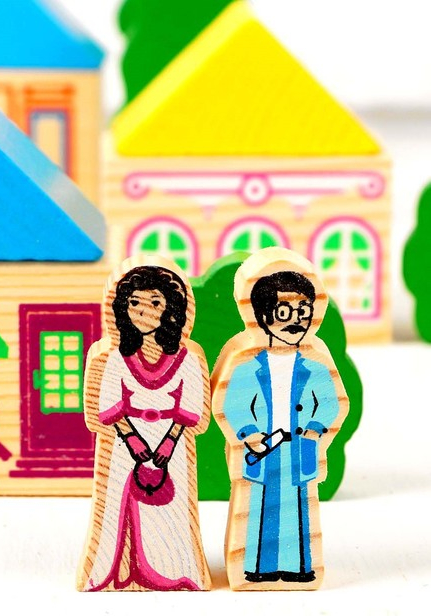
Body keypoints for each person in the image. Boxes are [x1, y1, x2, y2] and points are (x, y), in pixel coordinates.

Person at [214, 251, 348, 588]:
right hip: (262, 449)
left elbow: (333, 403)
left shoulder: (316, 365)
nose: (294, 321)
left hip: (299, 448)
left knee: (297, 509)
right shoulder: (246, 365)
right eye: (283, 313)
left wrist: (314, 430)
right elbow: (230, 404)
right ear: (261, 316)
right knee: (258, 508)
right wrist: (249, 434)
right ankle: (257, 568)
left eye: (303, 312)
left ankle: (298, 567)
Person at [77, 262, 211, 592]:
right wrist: (133, 440)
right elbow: (105, 407)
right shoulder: (113, 358)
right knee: (117, 503)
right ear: (121, 309)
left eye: (154, 303)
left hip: (172, 445)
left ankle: (174, 570)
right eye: (134, 302)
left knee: (170, 508)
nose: (143, 312)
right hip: (124, 443)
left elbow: (194, 411)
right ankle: (117, 571)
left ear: (172, 309)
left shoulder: (188, 359)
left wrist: (168, 443)